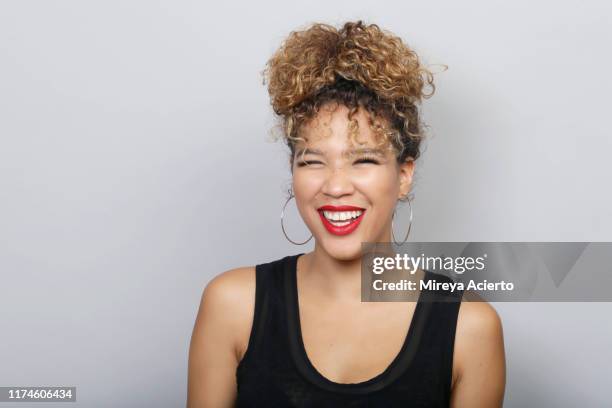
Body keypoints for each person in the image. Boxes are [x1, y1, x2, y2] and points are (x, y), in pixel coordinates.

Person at [187, 20, 506, 407]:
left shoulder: (469, 328)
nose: (336, 186)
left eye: (364, 160)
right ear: (293, 172)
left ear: (403, 176)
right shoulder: (232, 305)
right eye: (312, 162)